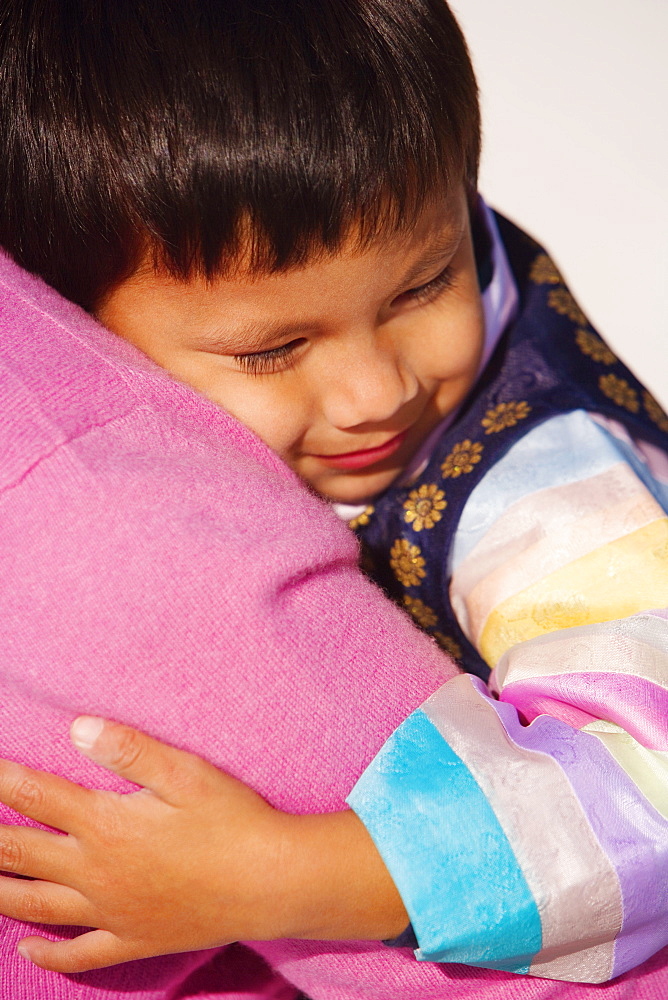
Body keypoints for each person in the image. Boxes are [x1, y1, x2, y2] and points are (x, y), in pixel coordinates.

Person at [0, 1, 668, 997]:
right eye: (274, 349)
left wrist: (276, 879)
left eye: (423, 284)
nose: (378, 391)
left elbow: (649, 792)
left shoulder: (551, 489)